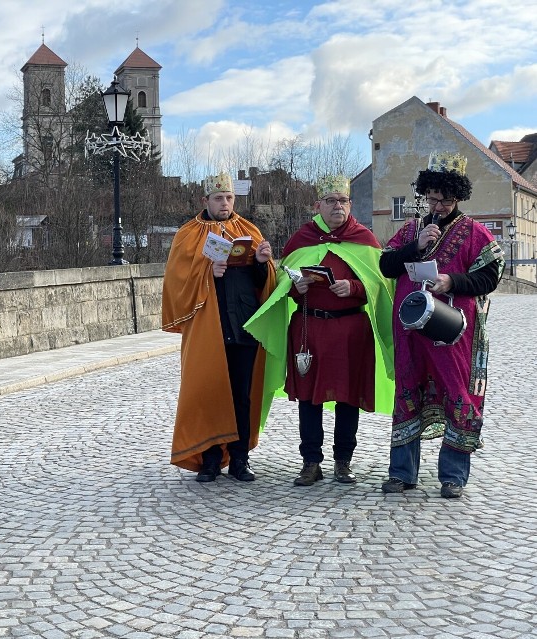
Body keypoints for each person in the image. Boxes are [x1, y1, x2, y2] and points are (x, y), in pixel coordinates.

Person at [244, 175, 395, 486]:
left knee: (348, 398)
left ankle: (343, 462)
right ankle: (310, 462)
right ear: (317, 206)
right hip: (308, 329)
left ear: (350, 205)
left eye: (342, 201)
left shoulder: (365, 240)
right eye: (330, 201)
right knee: (308, 400)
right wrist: (295, 286)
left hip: (351, 330)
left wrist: (353, 287)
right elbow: (281, 283)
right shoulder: (301, 240)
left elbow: (381, 288)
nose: (337, 206)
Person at [380, 152, 504, 498]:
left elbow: (490, 276)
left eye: (445, 200)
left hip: (453, 332)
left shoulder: (477, 234)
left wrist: (452, 282)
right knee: (407, 391)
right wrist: (414, 247)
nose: (438, 206)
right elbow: (386, 265)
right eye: (432, 198)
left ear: (457, 197)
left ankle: (453, 476)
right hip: (410, 329)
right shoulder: (411, 230)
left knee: (457, 393)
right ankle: (402, 473)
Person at [162, 171, 277, 482]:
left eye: (228, 198)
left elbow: (262, 285)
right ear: (205, 201)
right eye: (218, 198)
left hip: (243, 327)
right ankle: (210, 460)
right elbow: (177, 282)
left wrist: (262, 263)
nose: (224, 203)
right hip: (208, 329)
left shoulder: (249, 230)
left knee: (242, 394)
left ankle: (240, 459)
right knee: (208, 392)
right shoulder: (187, 234)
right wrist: (208, 273)